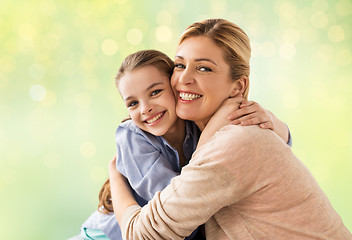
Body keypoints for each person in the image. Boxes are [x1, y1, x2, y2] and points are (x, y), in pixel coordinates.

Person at [108, 19, 352, 239]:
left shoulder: (236, 141)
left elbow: (143, 235)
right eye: (180, 65)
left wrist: (116, 177)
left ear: (238, 86)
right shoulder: (208, 129)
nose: (184, 79)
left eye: (204, 68)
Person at [80, 48, 292, 240]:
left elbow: (270, 152)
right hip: (107, 235)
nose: (145, 109)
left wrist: (273, 122)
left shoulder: (196, 122)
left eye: (155, 92)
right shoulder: (132, 138)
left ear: (176, 88)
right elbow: (178, 212)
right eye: (133, 103)